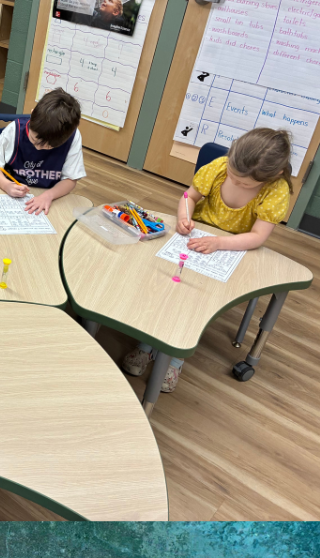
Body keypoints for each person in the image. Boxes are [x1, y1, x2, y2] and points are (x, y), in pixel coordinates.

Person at [122, 127, 293, 392]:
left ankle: (175, 359)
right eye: (233, 176)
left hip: (233, 248)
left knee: (196, 299)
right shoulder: (220, 166)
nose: (235, 182)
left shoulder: (276, 190)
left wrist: (219, 243)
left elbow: (258, 236)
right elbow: (189, 196)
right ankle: (146, 344)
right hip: (196, 237)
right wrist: (184, 217)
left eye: (245, 183)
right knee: (167, 283)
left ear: (275, 175)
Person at [0, 88, 85, 216]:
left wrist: (49, 195)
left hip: (49, 197)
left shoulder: (72, 137)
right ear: (32, 116)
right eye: (34, 140)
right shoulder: (15, 130)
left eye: (49, 146)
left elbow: (71, 179)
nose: (38, 148)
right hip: (11, 194)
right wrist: (6, 185)